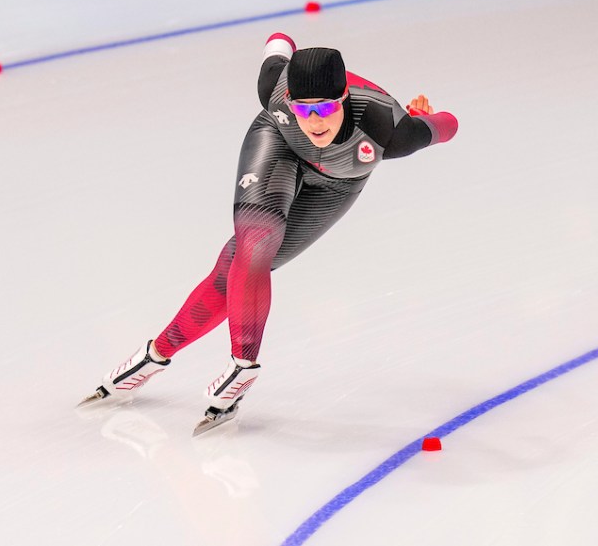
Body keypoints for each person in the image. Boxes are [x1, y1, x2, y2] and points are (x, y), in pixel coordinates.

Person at [80, 32, 458, 434]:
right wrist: (282, 45)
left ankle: (154, 356)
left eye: (326, 108)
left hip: (338, 184)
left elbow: (448, 124)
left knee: (233, 269)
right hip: (278, 145)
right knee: (254, 242)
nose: (314, 122)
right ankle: (237, 366)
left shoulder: (391, 130)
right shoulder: (273, 87)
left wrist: (421, 119)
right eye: (303, 109)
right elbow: (278, 42)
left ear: (345, 98)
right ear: (288, 100)